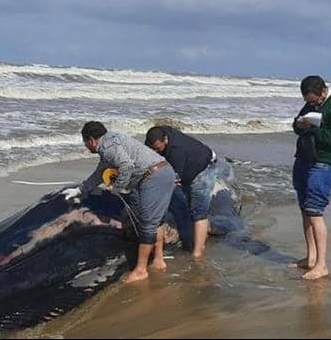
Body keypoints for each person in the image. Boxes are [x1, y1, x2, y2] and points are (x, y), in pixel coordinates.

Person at [70, 121, 175, 283]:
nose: (86, 146)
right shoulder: (111, 141)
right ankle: (158, 260)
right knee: (156, 220)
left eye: (85, 143)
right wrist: (81, 189)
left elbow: (126, 166)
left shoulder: (107, 148)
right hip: (162, 172)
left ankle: (141, 270)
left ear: (91, 140)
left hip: (154, 177)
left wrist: (118, 189)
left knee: (147, 223)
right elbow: (100, 173)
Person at [290, 75, 331, 280]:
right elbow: (296, 127)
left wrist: (313, 129)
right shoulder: (309, 104)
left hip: (323, 163)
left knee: (315, 211)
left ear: (323, 91)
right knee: (305, 210)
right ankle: (310, 257)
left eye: (313, 100)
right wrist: (300, 124)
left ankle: (322, 264)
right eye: (307, 101)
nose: (310, 104)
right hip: (304, 159)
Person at [145, 125, 220, 258]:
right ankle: (203, 233)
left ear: (166, 140)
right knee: (189, 204)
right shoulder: (157, 135)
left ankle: (197, 253)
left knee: (198, 211)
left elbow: (173, 181)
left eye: (158, 148)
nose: (155, 151)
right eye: (152, 148)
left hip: (203, 169)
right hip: (189, 165)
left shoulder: (177, 152)